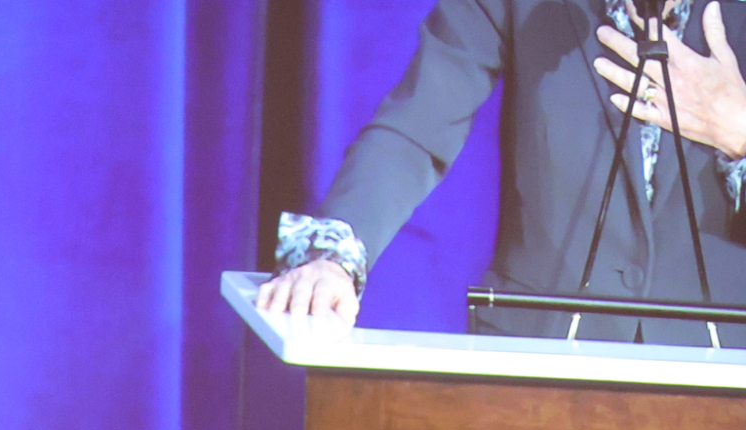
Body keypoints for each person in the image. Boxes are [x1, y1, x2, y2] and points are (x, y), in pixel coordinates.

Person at [257, 0, 746, 344]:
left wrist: (739, 132)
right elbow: (416, 127)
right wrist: (334, 257)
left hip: (721, 376)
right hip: (539, 364)